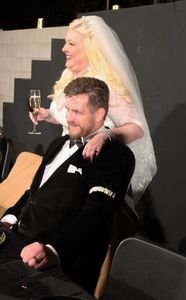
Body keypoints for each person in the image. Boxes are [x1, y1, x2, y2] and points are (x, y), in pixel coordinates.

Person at [1, 77, 135, 294]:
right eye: (68, 110)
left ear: (100, 114)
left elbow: (97, 211)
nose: (69, 119)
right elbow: (33, 193)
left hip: (58, 264)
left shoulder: (117, 156)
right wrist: (8, 219)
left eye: (77, 112)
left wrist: (54, 249)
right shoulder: (58, 144)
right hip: (16, 241)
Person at [30, 15, 157, 208]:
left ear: (90, 47)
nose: (64, 48)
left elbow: (137, 128)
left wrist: (105, 135)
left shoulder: (105, 83)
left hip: (91, 171)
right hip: (64, 162)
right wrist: (47, 115)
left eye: (71, 44)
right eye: (65, 42)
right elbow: (73, 119)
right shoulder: (69, 75)